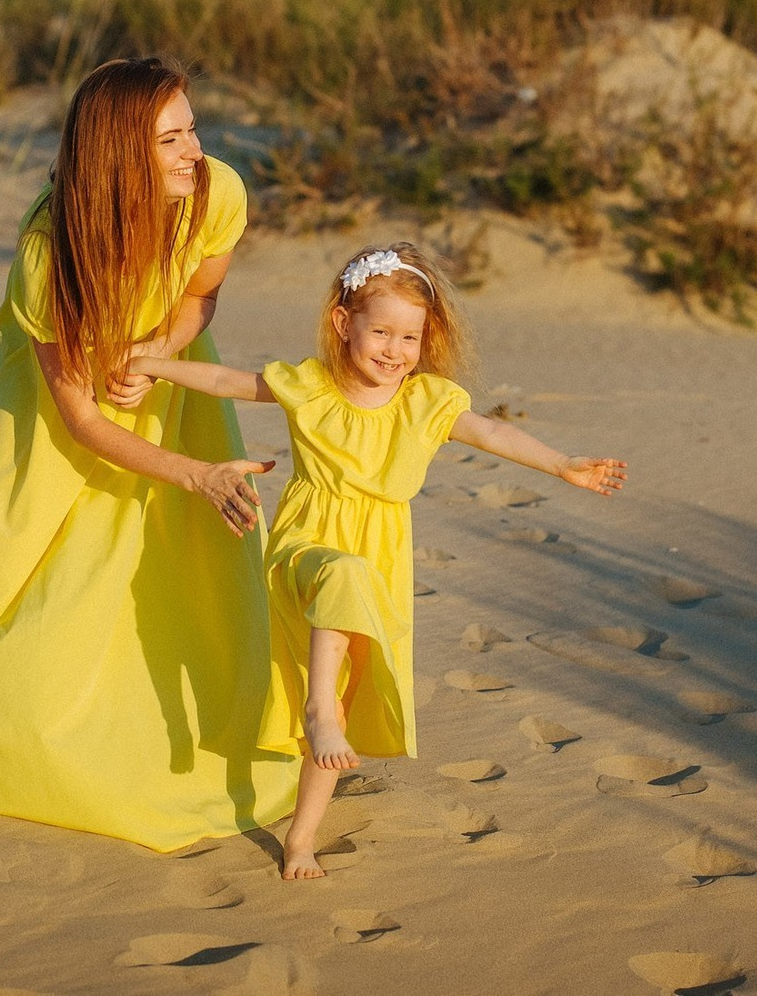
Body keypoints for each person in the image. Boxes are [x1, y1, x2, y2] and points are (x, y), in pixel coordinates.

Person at [0, 57, 297, 852]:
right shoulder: (49, 254)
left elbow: (200, 294)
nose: (196, 151)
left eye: (193, 130)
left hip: (165, 378)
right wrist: (198, 475)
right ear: (119, 155)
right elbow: (79, 416)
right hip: (59, 410)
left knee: (176, 574)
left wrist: (159, 351)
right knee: (30, 569)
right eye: (171, 139)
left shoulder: (215, 191)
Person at [129, 241, 625, 878]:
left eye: (410, 337)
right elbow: (231, 382)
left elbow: (491, 431)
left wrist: (562, 464)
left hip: (380, 558)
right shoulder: (311, 387)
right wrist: (153, 364)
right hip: (307, 544)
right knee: (341, 586)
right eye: (381, 332)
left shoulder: (426, 402)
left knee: (343, 696)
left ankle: (301, 838)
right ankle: (318, 711)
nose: (394, 350)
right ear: (344, 323)